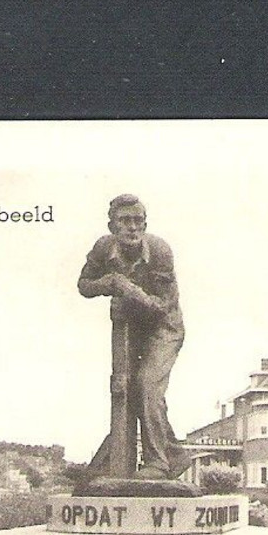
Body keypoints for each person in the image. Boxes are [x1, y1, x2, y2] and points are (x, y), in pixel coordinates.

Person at [79, 194, 189, 479]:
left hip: (164, 327)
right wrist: (108, 282)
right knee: (124, 388)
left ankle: (159, 463)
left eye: (138, 221)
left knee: (147, 385)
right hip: (132, 327)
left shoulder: (160, 251)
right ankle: (170, 454)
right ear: (112, 225)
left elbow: (162, 305)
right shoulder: (103, 248)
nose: (132, 228)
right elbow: (84, 284)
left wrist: (127, 290)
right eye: (125, 221)